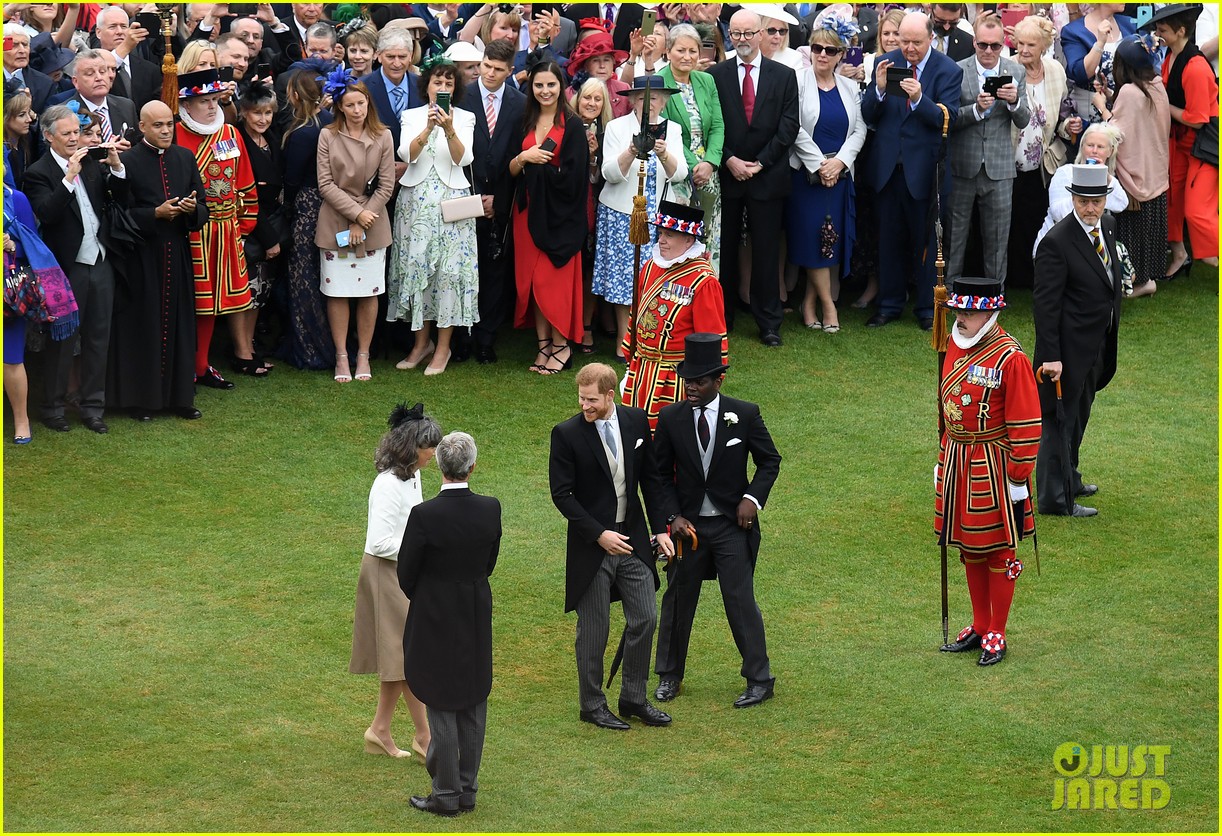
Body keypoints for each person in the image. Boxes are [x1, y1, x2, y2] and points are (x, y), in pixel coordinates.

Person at [650, 332, 782, 706]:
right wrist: (672, 516)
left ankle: (760, 679)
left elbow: (770, 460)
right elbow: (659, 475)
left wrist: (751, 499)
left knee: (740, 601)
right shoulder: (670, 417)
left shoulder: (744, 414)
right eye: (687, 380)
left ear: (718, 381)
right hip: (687, 530)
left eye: (699, 381)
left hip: (730, 527)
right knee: (677, 600)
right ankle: (669, 676)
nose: (690, 387)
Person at [549, 362, 675, 730]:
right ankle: (591, 705)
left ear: (610, 395)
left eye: (591, 400)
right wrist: (598, 534)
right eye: (581, 398)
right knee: (595, 629)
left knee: (645, 618)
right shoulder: (567, 434)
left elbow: (651, 480)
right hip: (594, 546)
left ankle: (633, 697)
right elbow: (562, 495)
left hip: (633, 539)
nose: (584, 406)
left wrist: (662, 529)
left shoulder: (636, 422)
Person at [935, 276, 1040, 667]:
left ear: (990, 312)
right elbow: (947, 410)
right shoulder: (954, 344)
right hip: (959, 460)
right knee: (968, 546)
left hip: (994, 466)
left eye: (970, 312)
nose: (961, 318)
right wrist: (944, 455)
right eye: (959, 311)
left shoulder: (1010, 357)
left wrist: (1017, 477)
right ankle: (979, 623)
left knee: (999, 548)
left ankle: (998, 628)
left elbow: (1027, 424)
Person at [401, 431, 502, 817]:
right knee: (474, 696)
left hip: (434, 612)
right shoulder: (489, 508)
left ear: (440, 467)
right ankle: (466, 788)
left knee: (441, 699)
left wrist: (431, 595)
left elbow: (407, 573)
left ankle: (445, 793)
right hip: (474, 608)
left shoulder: (425, 515)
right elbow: (489, 561)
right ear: (472, 467)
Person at [23, 103, 124, 434]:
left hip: (100, 261)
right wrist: (68, 178)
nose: (73, 138)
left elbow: (115, 201)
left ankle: (93, 407)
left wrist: (117, 168)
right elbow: (47, 215)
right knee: (63, 339)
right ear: (49, 136)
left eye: (76, 132)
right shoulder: (38, 173)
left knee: (99, 337)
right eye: (65, 134)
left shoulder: (91, 164)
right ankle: (52, 407)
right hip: (65, 269)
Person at [350, 402, 442, 763]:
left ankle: (380, 730)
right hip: (385, 573)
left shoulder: (413, 475)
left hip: (402, 572)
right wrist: (423, 549)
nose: (433, 453)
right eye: (428, 446)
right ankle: (425, 736)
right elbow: (379, 543)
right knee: (405, 657)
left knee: (398, 656)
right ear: (410, 448)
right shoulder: (388, 484)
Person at [860, 11, 963, 331]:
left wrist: (920, 99)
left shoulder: (947, 70)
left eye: (915, 42)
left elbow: (950, 119)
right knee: (888, 239)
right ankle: (889, 305)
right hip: (888, 169)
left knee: (928, 244)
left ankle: (927, 309)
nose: (908, 48)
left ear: (931, 38)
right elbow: (868, 116)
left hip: (926, 171)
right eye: (903, 41)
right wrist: (877, 90)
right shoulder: (887, 62)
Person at [107, 100, 208, 422]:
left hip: (177, 253)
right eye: (158, 126)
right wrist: (154, 214)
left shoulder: (184, 157)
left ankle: (179, 398)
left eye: (169, 124)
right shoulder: (128, 161)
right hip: (143, 257)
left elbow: (204, 205)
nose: (166, 131)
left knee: (179, 324)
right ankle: (141, 401)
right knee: (144, 326)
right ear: (143, 128)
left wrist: (193, 211)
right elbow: (118, 213)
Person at [1032, 164, 1122, 518]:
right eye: (1083, 201)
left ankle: (1071, 476)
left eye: (1096, 201)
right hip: (1065, 354)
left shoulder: (1108, 227)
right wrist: (1051, 356)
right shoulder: (1056, 243)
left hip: (1095, 346)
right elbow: (1045, 305)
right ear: (1072, 198)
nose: (1090, 208)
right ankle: (1056, 498)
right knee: (1059, 421)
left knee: (1077, 417)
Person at [708, 8, 799, 347]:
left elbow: (789, 125)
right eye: (736, 34)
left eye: (748, 33)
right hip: (728, 173)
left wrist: (760, 163)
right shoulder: (716, 75)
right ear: (729, 35)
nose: (742, 40)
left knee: (765, 251)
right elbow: (713, 123)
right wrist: (729, 159)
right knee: (725, 249)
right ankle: (722, 317)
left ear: (761, 34)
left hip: (767, 175)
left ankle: (769, 322)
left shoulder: (783, 75)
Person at [387, 56, 478, 377]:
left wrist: (449, 127)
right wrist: (428, 127)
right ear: (426, 86)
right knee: (417, 271)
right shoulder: (411, 115)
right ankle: (420, 344)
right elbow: (406, 154)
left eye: (448, 83)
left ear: (455, 90)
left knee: (448, 274)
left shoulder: (465, 117)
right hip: (415, 202)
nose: (442, 88)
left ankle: (443, 348)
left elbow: (463, 158)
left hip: (452, 202)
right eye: (437, 82)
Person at [174, 68, 258, 392]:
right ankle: (183, 367)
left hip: (226, 232)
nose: (211, 107)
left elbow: (245, 181)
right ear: (186, 105)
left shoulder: (232, 135)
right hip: (190, 233)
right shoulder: (176, 135)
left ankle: (200, 365)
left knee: (213, 304)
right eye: (203, 101)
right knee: (189, 303)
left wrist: (244, 226)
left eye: (214, 100)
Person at [593, 75, 687, 352]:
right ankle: (625, 339)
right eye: (644, 98)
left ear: (664, 101)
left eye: (655, 97)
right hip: (622, 213)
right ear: (633, 100)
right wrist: (632, 149)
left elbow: (680, 174)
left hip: (656, 217)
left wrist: (664, 153)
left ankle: (649, 336)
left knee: (654, 277)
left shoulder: (673, 130)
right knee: (625, 281)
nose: (650, 103)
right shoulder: (617, 127)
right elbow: (608, 173)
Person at [315, 69, 396, 383]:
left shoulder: (383, 136)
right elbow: (325, 184)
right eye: (350, 105)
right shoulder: (328, 135)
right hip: (336, 219)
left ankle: (363, 353)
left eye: (361, 103)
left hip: (372, 221)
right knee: (337, 292)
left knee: (367, 292)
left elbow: (386, 185)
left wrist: (365, 217)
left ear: (368, 103)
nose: (357, 110)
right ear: (340, 107)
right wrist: (354, 216)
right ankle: (341, 356)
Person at [509, 59, 589, 375]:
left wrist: (540, 168)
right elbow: (511, 170)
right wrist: (524, 157)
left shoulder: (571, 125)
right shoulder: (523, 122)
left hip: (560, 219)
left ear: (561, 87)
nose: (545, 91)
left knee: (550, 283)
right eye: (539, 85)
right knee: (531, 283)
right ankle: (543, 346)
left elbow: (575, 178)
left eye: (551, 85)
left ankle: (562, 346)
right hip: (526, 215)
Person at [787, 13, 866, 333]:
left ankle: (809, 303)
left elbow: (859, 129)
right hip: (807, 177)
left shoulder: (850, 86)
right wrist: (820, 164)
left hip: (839, 177)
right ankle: (829, 306)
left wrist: (840, 163)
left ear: (840, 55)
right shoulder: (797, 81)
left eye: (830, 50)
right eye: (817, 48)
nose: (822, 54)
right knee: (812, 239)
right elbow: (793, 126)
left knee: (829, 240)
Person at [621, 200, 726, 431]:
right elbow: (636, 315)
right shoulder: (650, 266)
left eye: (669, 234)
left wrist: (705, 385)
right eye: (660, 233)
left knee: (671, 443)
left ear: (689, 240)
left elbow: (711, 340)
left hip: (677, 378)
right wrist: (630, 360)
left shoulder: (704, 281)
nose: (661, 240)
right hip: (642, 371)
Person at [945, 12, 1029, 287]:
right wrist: (976, 110)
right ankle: (949, 297)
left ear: (1003, 44)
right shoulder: (957, 70)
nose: (989, 51)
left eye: (995, 46)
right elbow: (948, 117)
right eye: (983, 45)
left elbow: (1024, 119)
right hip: (963, 165)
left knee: (997, 240)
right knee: (955, 238)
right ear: (974, 43)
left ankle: (994, 297)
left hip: (1000, 168)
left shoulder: (1015, 71)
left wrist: (1015, 101)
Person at [457, 39, 525, 365]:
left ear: (510, 70)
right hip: (463, 194)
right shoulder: (462, 96)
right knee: (460, 269)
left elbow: (515, 152)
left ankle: (486, 339)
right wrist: (472, 197)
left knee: (494, 272)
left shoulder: (520, 103)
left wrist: (498, 198)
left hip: (501, 200)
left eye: (499, 69)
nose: (491, 73)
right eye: (487, 66)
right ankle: (460, 338)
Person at [3, 176, 77, 444]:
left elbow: (32, 243)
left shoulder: (16, 199)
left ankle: (21, 421)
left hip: (9, 294)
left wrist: (12, 246)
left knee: (11, 358)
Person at [1007, 14, 1079, 288]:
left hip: (1043, 162)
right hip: (1010, 159)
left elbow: (1061, 116)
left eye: (1031, 45)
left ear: (1044, 47)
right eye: (1020, 44)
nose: (1024, 50)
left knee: (1036, 216)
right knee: (1010, 220)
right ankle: (1013, 276)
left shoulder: (1055, 71)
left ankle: (1034, 274)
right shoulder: (1007, 68)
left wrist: (1068, 125)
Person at [1096, 33, 1170, 298]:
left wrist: (1102, 107)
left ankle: (1139, 282)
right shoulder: (1156, 84)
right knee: (1148, 233)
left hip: (1135, 178)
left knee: (1131, 232)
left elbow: (1114, 133)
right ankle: (1147, 277)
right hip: (1156, 172)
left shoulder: (1129, 91)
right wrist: (1110, 95)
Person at [1148, 3, 1219, 276]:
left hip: (1203, 148)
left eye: (1162, 29)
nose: (1158, 33)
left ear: (1180, 31)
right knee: (1173, 203)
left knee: (1197, 211)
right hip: (1180, 144)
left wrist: (1164, 106)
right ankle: (1180, 256)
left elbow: (1197, 118)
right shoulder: (1170, 56)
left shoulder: (1197, 68)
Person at [658, 23, 724, 275]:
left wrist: (710, 162)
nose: (687, 57)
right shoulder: (660, 81)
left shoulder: (706, 80)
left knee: (708, 237)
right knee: (678, 238)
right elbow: (666, 128)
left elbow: (717, 125)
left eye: (693, 51)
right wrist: (693, 165)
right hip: (676, 171)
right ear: (668, 51)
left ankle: (706, 293)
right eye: (681, 50)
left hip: (709, 173)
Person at [281, 70, 335, 371]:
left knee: (304, 280)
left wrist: (287, 207)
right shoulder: (332, 122)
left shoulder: (304, 132)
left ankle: (310, 347)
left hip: (308, 207)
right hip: (332, 207)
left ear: (296, 96)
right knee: (326, 278)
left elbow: (291, 178)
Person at [235, 80, 286, 372]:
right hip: (249, 225)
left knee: (260, 292)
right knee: (246, 292)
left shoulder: (273, 138)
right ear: (244, 112)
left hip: (271, 221)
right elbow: (245, 192)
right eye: (256, 113)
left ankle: (248, 346)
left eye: (267, 112)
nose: (263, 119)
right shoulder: (238, 139)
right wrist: (268, 238)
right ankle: (242, 353)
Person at [1032, 122, 1129, 253]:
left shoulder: (1108, 179)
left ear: (1110, 151)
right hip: (1054, 247)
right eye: (1090, 145)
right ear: (1082, 147)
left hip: (1086, 249)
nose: (1094, 151)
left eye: (1100, 147)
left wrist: (1105, 176)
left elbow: (1121, 204)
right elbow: (1058, 213)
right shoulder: (1065, 172)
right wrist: (1085, 182)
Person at [1060, 3, 1135, 119]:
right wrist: (1100, 43)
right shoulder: (1073, 31)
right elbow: (1080, 73)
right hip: (1091, 110)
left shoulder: (1129, 23)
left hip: (1125, 107)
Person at [361, 29, 424, 155]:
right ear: (378, 56)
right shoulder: (362, 87)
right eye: (390, 57)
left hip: (415, 165)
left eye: (402, 57)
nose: (397, 63)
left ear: (411, 56)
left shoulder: (423, 86)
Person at [3, 91, 37, 191]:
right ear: (6, 117)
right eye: (22, 115)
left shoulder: (27, 139)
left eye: (28, 113)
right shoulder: (4, 150)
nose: (29, 119)